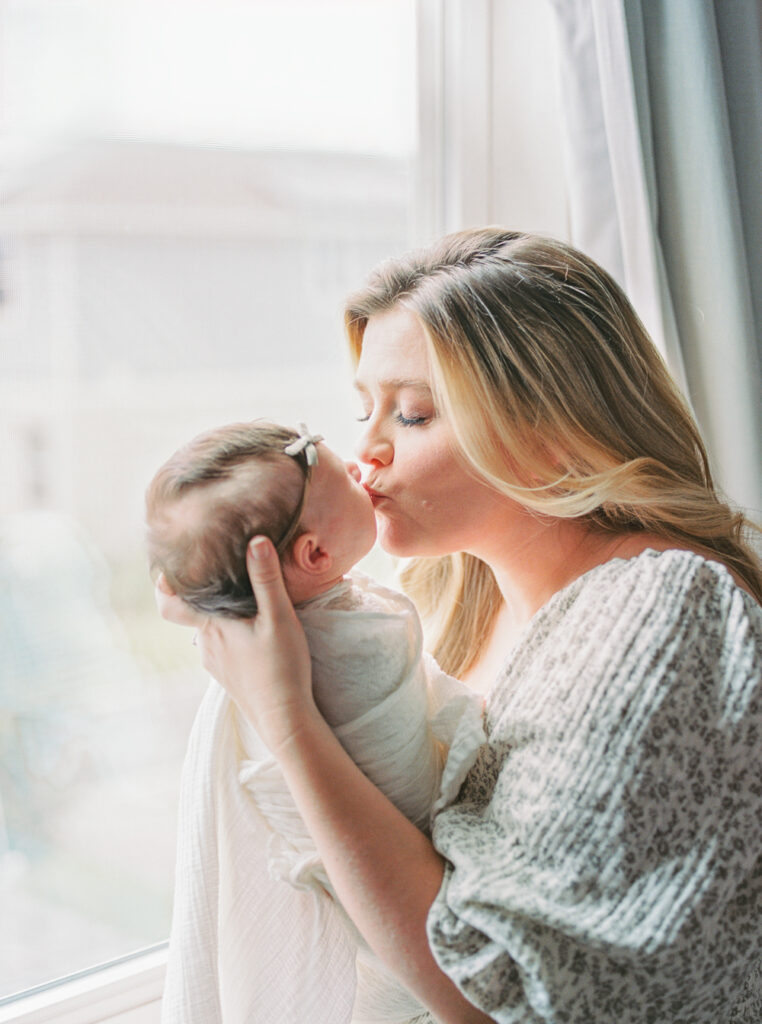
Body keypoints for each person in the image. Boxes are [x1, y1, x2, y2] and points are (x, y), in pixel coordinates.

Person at [156, 228, 762, 1024]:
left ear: (549, 432)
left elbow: (492, 995)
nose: (362, 453)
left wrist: (287, 718)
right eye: (362, 408)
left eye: (410, 415)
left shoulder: (660, 617)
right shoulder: (449, 603)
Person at [146, 420, 484, 1024]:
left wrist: (192, 601)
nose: (362, 466)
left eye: (408, 414)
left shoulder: (260, 636)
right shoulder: (351, 646)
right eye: (347, 482)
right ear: (316, 555)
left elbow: (184, 597)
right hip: (403, 911)